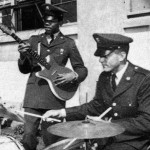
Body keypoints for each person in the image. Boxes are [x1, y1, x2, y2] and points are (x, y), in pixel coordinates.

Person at [43, 33, 150, 150]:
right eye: (99, 56)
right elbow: (96, 106)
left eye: (105, 56)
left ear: (121, 56)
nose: (100, 60)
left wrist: (110, 125)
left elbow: (146, 121)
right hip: (107, 139)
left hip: (133, 142)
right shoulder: (105, 77)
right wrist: (62, 112)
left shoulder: (144, 79)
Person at [18, 3, 88, 150]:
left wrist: (73, 75)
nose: (47, 24)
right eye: (45, 21)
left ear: (60, 22)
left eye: (51, 21)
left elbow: (81, 69)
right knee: (28, 136)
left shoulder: (68, 43)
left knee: (52, 138)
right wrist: (22, 56)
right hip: (34, 95)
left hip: (56, 96)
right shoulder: (34, 40)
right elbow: (25, 70)